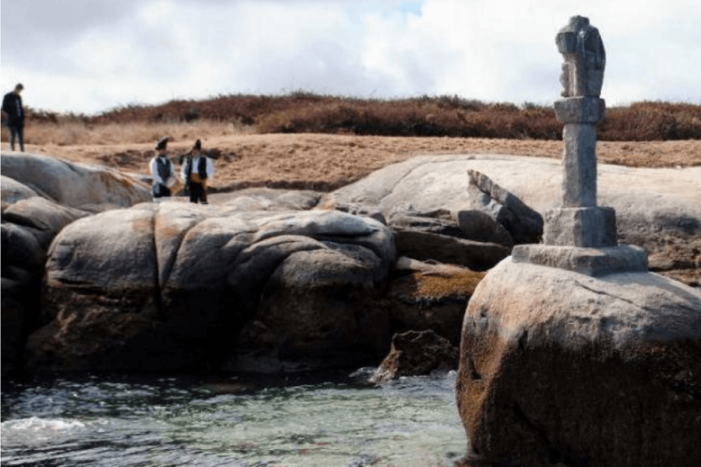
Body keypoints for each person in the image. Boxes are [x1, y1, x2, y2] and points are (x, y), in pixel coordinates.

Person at [181, 139, 213, 204]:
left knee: (203, 202)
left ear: (200, 151)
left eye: (197, 150)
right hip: (192, 183)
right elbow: (183, 171)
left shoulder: (205, 160)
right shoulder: (187, 160)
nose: (195, 151)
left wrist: (206, 178)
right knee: (193, 203)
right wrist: (185, 180)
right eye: (194, 150)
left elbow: (210, 171)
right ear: (192, 150)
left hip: (201, 183)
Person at [2, 83, 25, 152]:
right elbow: (4, 108)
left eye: (20, 91)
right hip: (11, 120)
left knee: (21, 137)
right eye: (18, 90)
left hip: (19, 120)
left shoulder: (19, 98)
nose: (19, 92)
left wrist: (22, 117)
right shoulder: (7, 96)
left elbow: (21, 108)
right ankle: (12, 152)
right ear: (15, 88)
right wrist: (12, 113)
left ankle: (22, 152)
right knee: (13, 136)